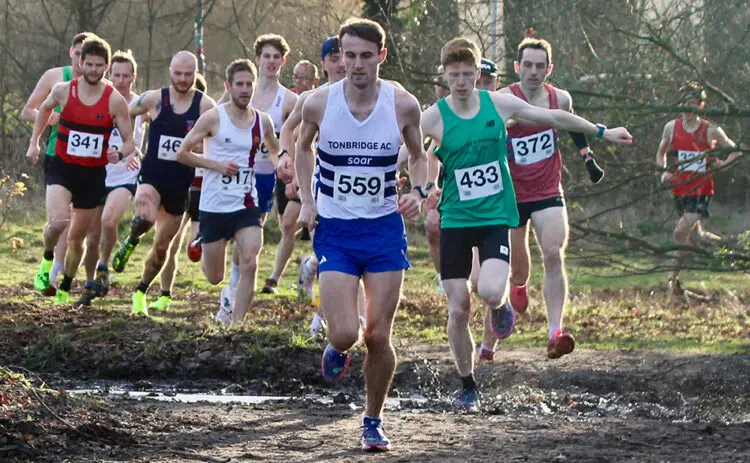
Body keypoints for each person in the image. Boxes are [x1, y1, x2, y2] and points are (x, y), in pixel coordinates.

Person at [421, 37, 632, 412]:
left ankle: (502, 305)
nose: (462, 82)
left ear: (477, 73)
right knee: (457, 308)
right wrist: (419, 188)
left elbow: (555, 118)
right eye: (454, 76)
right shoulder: (433, 116)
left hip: (494, 216)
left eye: (468, 74)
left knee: (490, 291)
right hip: (455, 218)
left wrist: (601, 132)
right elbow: (410, 148)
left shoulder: (498, 104)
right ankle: (468, 384)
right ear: (445, 76)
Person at [295, 18, 427, 452]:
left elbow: (418, 156)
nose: (356, 65)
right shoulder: (319, 103)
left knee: (377, 337)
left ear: (381, 57)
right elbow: (302, 147)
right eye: (348, 55)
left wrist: (418, 193)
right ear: (339, 56)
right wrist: (308, 200)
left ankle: (373, 420)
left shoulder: (403, 105)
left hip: (383, 230)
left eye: (365, 56)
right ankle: (336, 348)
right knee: (344, 335)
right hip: (335, 230)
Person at [477, 37, 606, 361]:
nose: (533, 72)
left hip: (548, 191)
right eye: (528, 65)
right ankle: (490, 342)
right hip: (511, 195)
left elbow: (572, 124)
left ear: (549, 69)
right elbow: (484, 136)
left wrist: (588, 157)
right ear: (517, 67)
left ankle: (554, 332)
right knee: (513, 271)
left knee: (552, 253)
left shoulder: (559, 98)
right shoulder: (503, 99)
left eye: (539, 66)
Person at [176, 58, 293, 326]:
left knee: (250, 261)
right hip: (214, 205)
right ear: (228, 86)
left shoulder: (262, 121)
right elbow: (182, 153)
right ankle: (202, 241)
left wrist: (282, 165)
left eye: (249, 84)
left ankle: (237, 325)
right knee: (214, 277)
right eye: (239, 84)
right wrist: (215, 165)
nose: (245, 90)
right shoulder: (214, 117)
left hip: (246, 202)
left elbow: (274, 150)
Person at [26, 35, 137, 304]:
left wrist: (119, 153)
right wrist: (34, 143)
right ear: (80, 63)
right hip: (62, 167)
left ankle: (65, 285)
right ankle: (47, 259)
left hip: (92, 175)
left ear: (106, 66)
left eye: (99, 66)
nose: (94, 70)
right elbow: (43, 110)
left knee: (77, 239)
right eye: (89, 64)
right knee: (58, 222)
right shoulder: (64, 90)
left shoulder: (114, 100)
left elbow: (130, 141)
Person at [111, 50, 215, 316]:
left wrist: (204, 152)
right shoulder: (155, 99)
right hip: (152, 175)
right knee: (144, 216)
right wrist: (130, 145)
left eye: (188, 74)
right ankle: (132, 238)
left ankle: (140, 292)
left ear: (195, 74)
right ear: (170, 72)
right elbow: (125, 112)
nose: (182, 79)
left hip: (180, 185)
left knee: (162, 248)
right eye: (178, 73)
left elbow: (219, 136)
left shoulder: (205, 106)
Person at [22, 31, 93, 295]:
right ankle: (50, 267)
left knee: (75, 224)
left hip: (88, 161)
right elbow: (28, 110)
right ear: (71, 53)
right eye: (78, 54)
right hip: (57, 155)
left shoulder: (99, 84)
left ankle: (57, 272)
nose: (81, 61)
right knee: (61, 219)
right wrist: (47, 122)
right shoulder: (55, 77)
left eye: (86, 56)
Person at [656, 81, 741, 295]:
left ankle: (671, 280)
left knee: (680, 233)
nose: (687, 107)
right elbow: (661, 153)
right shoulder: (671, 127)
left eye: (692, 103)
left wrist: (723, 164)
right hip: (680, 188)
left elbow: (736, 150)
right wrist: (664, 172)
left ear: (700, 105)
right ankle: (735, 247)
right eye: (684, 102)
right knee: (697, 237)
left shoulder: (711, 130)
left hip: (702, 190)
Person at [76, 49, 146, 306]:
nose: (121, 80)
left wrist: (138, 152)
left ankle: (104, 266)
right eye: (116, 75)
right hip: (97, 173)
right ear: (109, 74)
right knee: (91, 236)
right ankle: (91, 284)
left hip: (125, 174)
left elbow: (159, 129)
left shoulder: (141, 104)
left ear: (133, 77)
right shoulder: (100, 100)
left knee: (109, 220)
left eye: (126, 76)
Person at [425, 58, 499, 297]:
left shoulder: (502, 107)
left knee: (484, 283)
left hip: (494, 202)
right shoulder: (448, 110)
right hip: (457, 197)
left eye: (488, 82)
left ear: (496, 83)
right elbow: (429, 154)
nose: (483, 87)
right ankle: (445, 279)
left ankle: (501, 295)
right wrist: (430, 186)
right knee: (432, 226)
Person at [154, 72, 209, 313]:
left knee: (190, 250)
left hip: (199, 187)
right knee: (170, 243)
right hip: (176, 185)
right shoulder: (172, 117)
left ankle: (202, 240)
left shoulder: (210, 119)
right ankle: (165, 294)